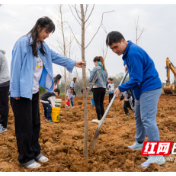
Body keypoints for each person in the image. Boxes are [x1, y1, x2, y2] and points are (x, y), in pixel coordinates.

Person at [9, 16, 86, 169]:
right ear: (38, 27)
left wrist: (72, 63)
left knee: (35, 124)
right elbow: (15, 67)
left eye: (49, 32)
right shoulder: (23, 43)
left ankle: (35, 152)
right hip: (21, 94)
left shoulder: (42, 46)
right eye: (46, 31)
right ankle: (25, 158)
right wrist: (15, 91)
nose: (47, 35)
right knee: (24, 126)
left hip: (34, 92)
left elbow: (55, 57)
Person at [106, 31, 165, 168]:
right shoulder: (128, 53)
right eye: (112, 49)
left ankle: (158, 156)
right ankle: (140, 142)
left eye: (116, 47)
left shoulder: (132, 53)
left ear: (122, 40)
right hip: (140, 89)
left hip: (149, 87)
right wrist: (127, 66)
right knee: (138, 116)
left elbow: (137, 78)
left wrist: (121, 88)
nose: (115, 51)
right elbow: (134, 66)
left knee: (148, 120)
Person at [89, 56, 108, 124]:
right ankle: (102, 118)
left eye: (94, 62)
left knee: (97, 104)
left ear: (96, 62)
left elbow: (91, 77)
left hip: (97, 88)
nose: (94, 64)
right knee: (101, 104)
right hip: (103, 88)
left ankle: (99, 119)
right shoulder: (105, 69)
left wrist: (91, 83)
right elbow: (106, 80)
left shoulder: (96, 68)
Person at [0, 50, 10, 134]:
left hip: (3, 82)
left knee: (3, 104)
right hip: (2, 81)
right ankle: (3, 122)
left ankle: (3, 125)